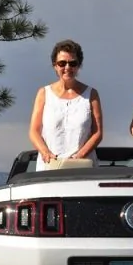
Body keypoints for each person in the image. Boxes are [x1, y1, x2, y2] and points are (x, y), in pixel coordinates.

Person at [28, 39, 103, 171]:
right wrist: (46, 153)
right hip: (49, 167)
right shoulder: (43, 93)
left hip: (82, 167)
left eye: (72, 63)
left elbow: (97, 132)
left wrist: (79, 156)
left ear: (79, 66)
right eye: (62, 63)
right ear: (55, 66)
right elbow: (34, 131)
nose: (67, 67)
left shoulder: (91, 94)